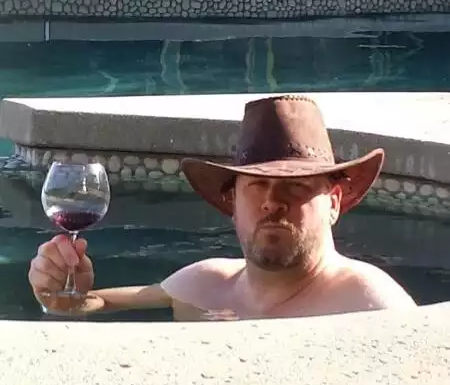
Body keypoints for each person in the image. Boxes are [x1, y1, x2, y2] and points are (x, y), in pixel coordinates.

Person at [28, 95, 417, 320]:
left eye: (296, 186)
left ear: (333, 203)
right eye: (257, 185)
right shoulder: (204, 284)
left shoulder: (368, 304)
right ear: (232, 202)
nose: (272, 201)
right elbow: (96, 303)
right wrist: (57, 292)